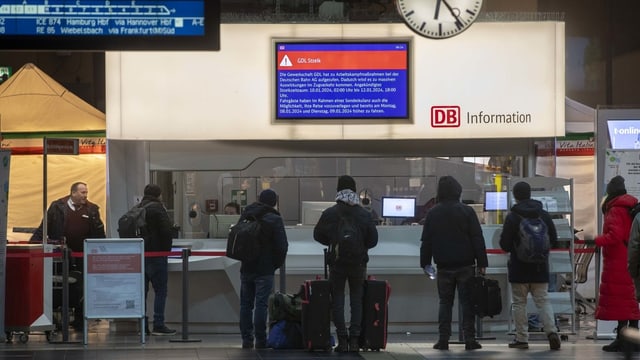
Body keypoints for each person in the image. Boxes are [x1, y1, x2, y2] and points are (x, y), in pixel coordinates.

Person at [420, 176, 488, 351]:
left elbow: (426, 241)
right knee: (467, 303)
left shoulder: (433, 213)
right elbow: (477, 238)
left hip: (443, 266)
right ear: (458, 191)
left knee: (445, 303)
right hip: (466, 265)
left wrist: (425, 264)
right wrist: (482, 262)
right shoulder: (467, 211)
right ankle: (470, 339)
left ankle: (443, 339)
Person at [313, 175, 378, 352]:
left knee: (338, 299)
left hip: (337, 263)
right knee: (357, 299)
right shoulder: (364, 213)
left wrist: (332, 242)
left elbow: (317, 235)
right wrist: (361, 245)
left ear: (338, 190)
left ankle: (342, 340)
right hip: (358, 263)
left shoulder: (330, 213)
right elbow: (373, 240)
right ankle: (355, 340)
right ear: (354, 190)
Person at [31, 181, 106, 331]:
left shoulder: (92, 209)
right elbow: (43, 228)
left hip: (83, 256)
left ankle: (79, 319)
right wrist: (33, 245)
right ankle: (53, 317)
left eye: (86, 192)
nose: (86, 195)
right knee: (56, 286)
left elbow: (99, 232)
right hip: (59, 257)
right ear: (73, 193)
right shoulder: (57, 207)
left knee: (82, 287)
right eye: (83, 192)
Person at [499, 181, 561, 350]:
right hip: (540, 268)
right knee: (543, 301)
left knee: (519, 303)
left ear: (515, 196)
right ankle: (551, 332)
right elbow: (554, 240)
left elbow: (504, 244)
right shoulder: (543, 214)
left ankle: (522, 339)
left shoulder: (513, 216)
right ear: (530, 193)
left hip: (519, 268)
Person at [594, 175, 640, 352]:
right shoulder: (630, 206)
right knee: (628, 301)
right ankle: (629, 338)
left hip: (618, 261)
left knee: (624, 302)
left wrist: (595, 240)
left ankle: (625, 340)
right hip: (627, 258)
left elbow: (615, 235)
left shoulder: (615, 209)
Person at [239, 189, 288, 349]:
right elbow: (282, 246)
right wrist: (275, 264)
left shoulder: (247, 214)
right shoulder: (274, 218)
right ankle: (261, 340)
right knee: (261, 304)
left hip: (246, 266)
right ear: (274, 202)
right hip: (265, 268)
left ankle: (246, 339)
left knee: (246, 305)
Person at [140, 184, 176, 336]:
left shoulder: (139, 207)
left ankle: (142, 325)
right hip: (156, 255)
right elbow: (166, 231)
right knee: (160, 291)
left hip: (141, 254)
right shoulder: (158, 208)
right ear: (159, 195)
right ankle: (158, 324)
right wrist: (166, 251)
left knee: (142, 292)